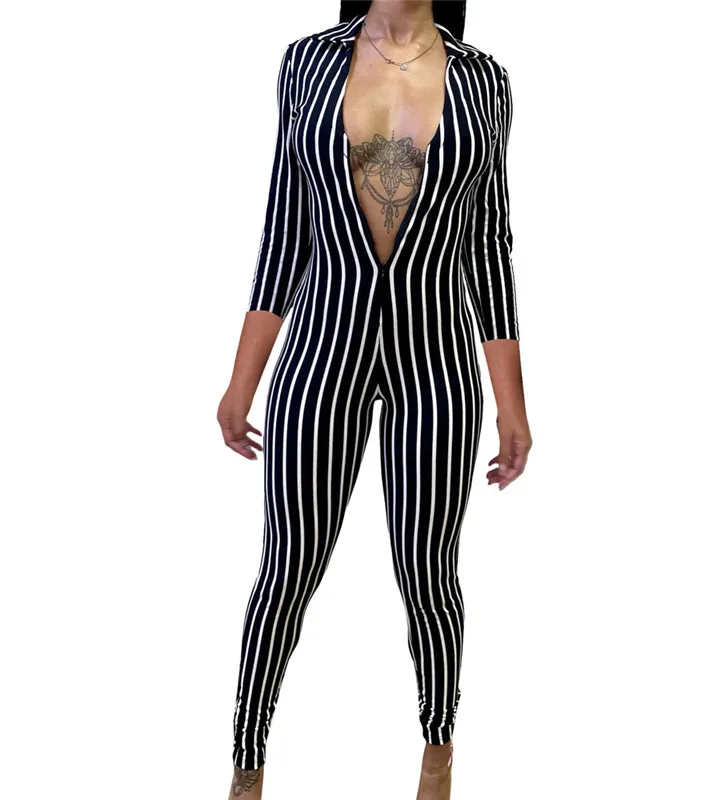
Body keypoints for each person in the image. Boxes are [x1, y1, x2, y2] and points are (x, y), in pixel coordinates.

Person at [217, 2, 531, 797]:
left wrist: (512, 403)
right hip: (323, 348)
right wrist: (242, 379)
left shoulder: (485, 80)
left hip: (437, 360)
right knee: (288, 565)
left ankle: (438, 748)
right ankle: (247, 762)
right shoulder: (308, 63)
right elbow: (284, 230)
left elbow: (490, 247)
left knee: (427, 570)